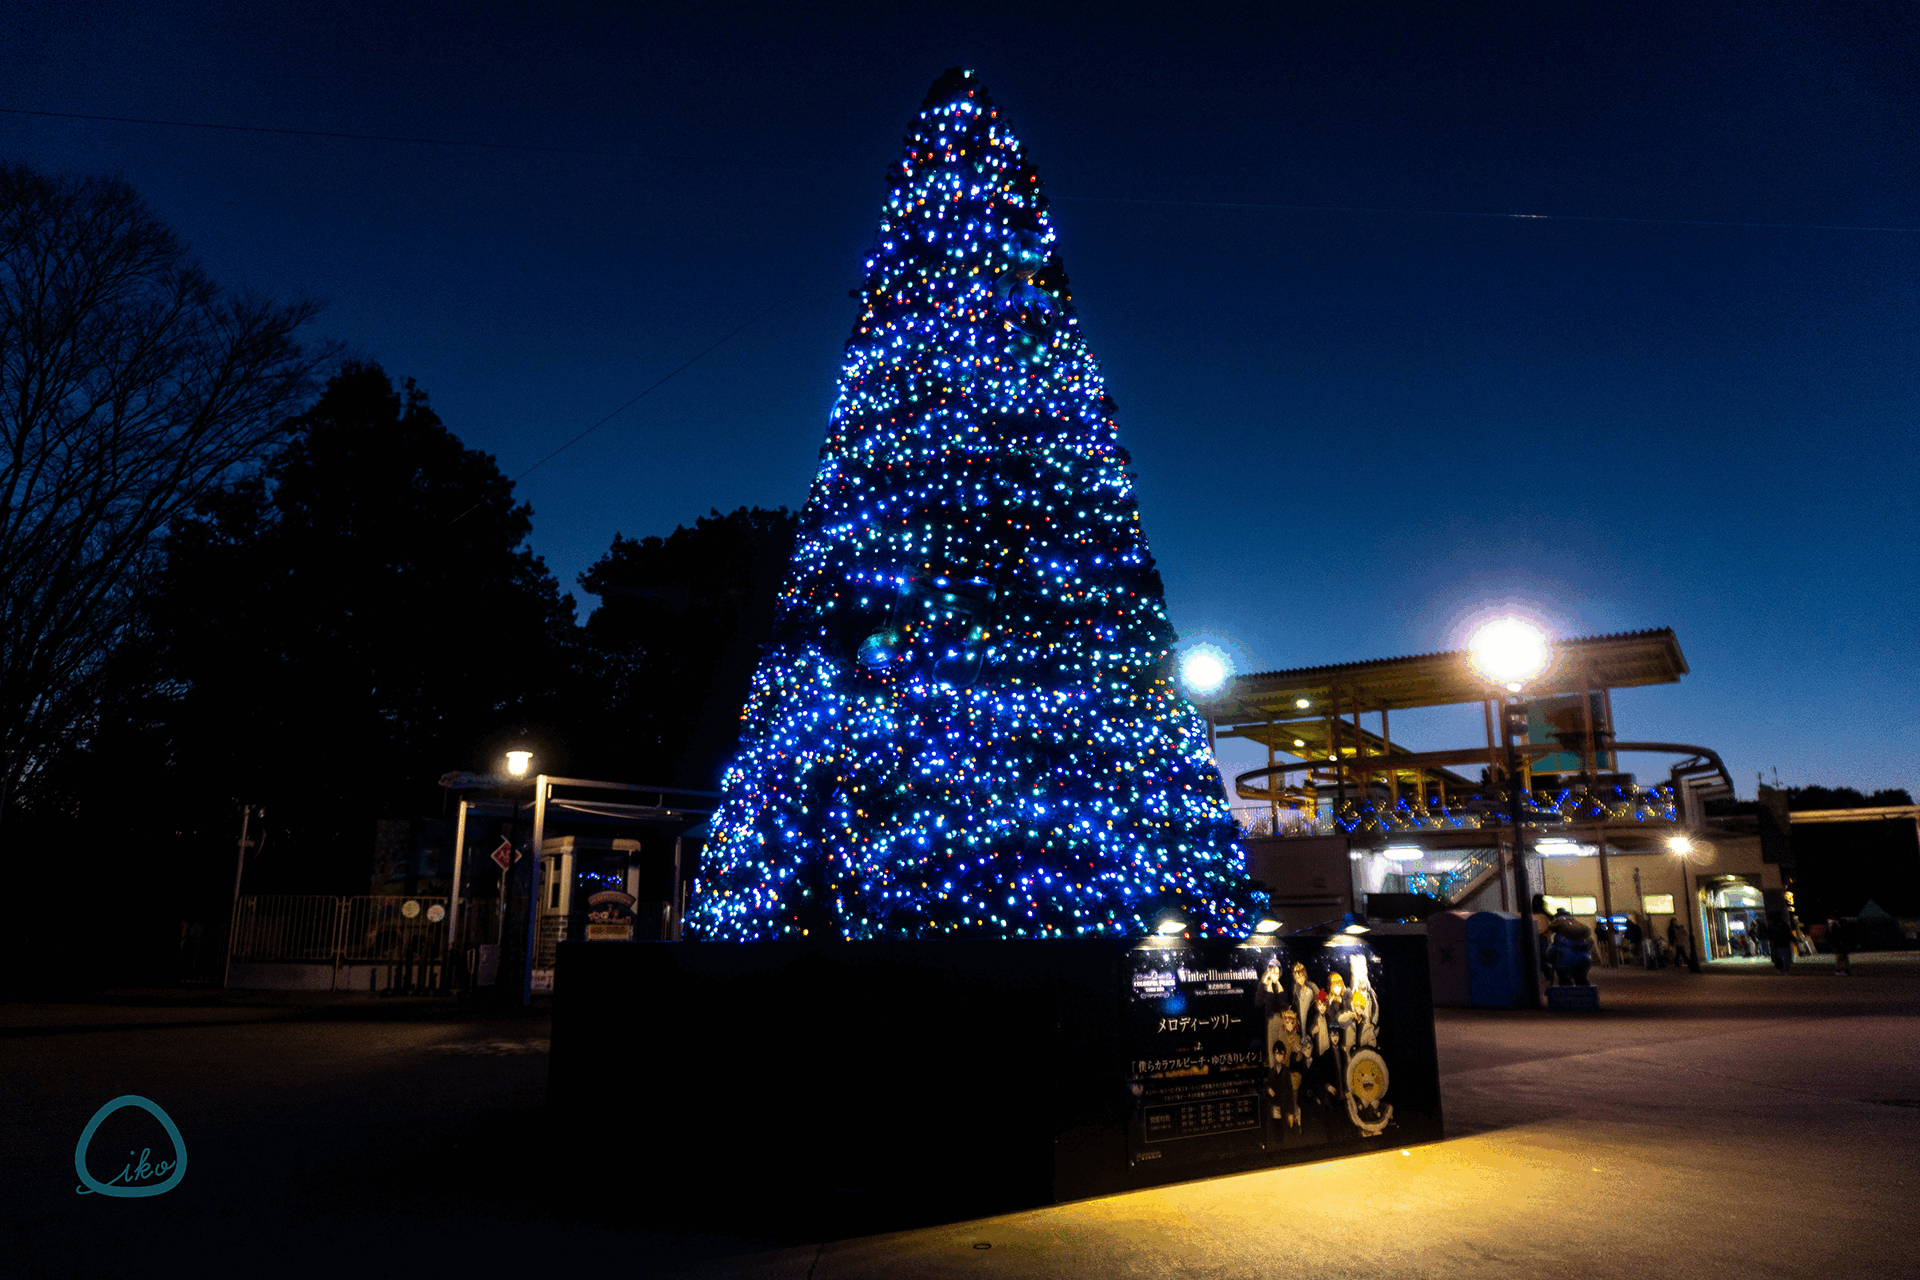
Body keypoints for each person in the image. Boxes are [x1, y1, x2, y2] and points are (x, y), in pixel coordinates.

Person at [1545, 909, 1594, 986]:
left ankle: (1567, 992)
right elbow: (1589, 943)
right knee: (1581, 980)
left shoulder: (1559, 935)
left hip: (1563, 961)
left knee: (1565, 981)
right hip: (1583, 959)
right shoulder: (1580, 931)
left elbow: (1549, 953)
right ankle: (1585, 993)